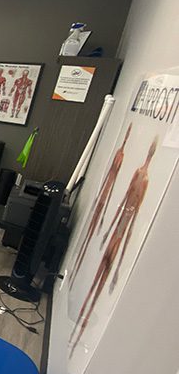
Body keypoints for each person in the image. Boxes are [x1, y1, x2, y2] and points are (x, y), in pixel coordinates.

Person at [69, 138, 157, 357]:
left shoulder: (142, 177)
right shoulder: (134, 169)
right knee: (101, 268)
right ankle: (79, 319)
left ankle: (79, 331)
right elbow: (119, 205)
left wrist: (118, 265)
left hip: (121, 228)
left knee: (105, 272)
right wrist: (106, 228)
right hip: (116, 224)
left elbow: (132, 215)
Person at [68, 124, 132, 289]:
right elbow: (108, 186)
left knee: (106, 253)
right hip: (103, 203)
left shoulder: (124, 160)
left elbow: (115, 192)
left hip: (114, 211)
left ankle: (81, 279)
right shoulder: (120, 157)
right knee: (89, 239)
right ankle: (76, 274)